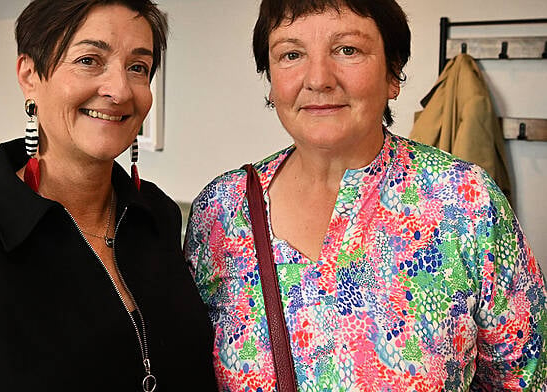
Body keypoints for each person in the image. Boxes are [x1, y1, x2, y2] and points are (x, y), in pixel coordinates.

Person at [185, 0, 547, 390]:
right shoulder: (221, 211)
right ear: (271, 82)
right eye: (291, 54)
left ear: (393, 73)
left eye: (347, 50)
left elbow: (521, 381)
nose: (319, 79)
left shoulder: (466, 201)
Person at [0, 1, 217, 391]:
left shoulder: (157, 217)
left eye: (138, 67)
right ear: (30, 75)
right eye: (88, 60)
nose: (119, 90)